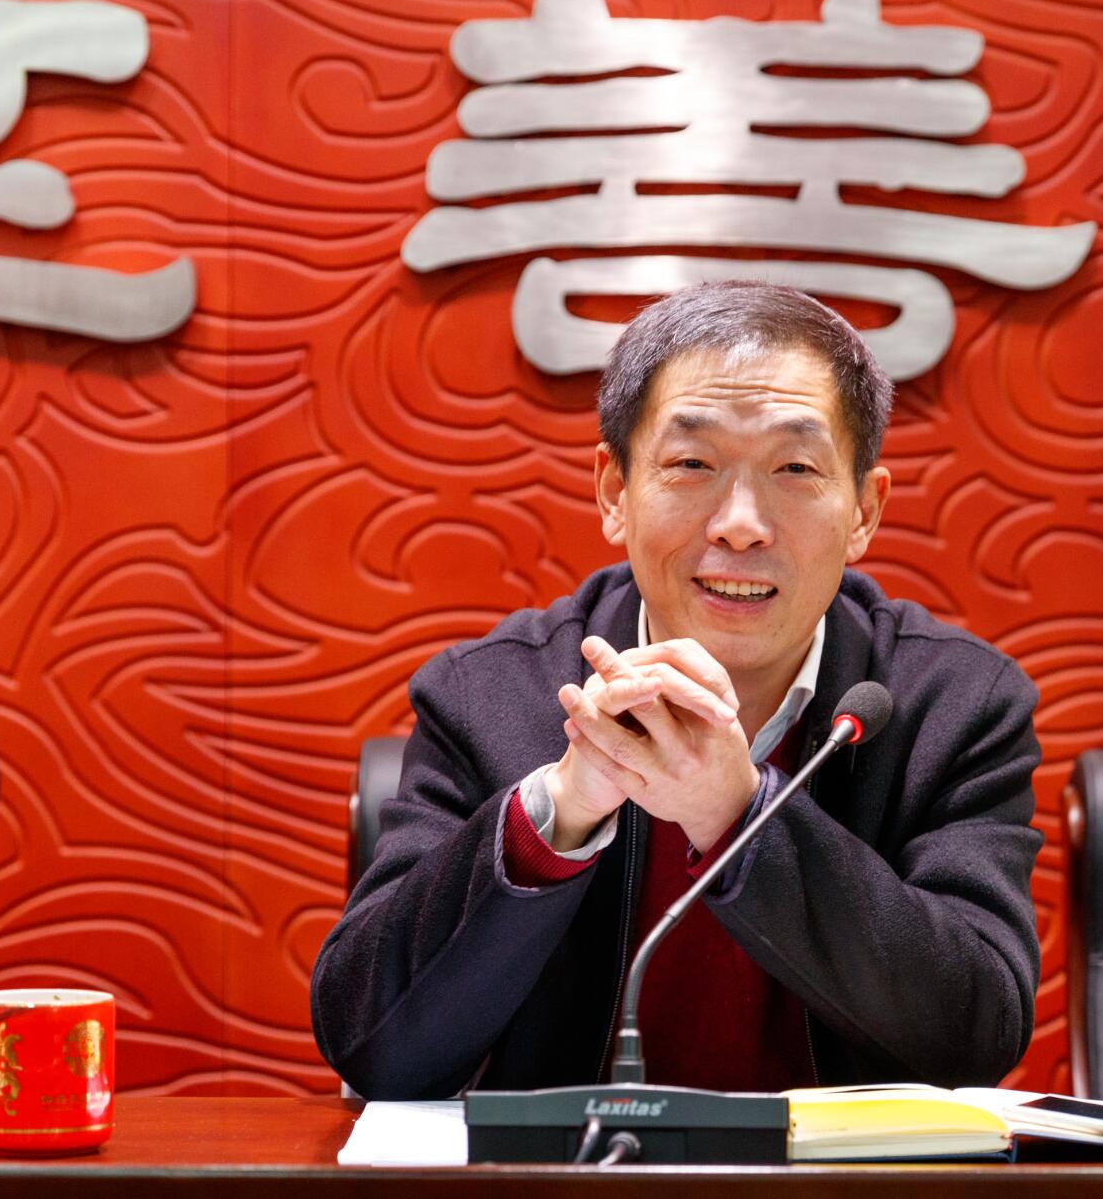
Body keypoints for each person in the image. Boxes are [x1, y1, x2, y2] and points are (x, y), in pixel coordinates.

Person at [311, 282, 1042, 1100]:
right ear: (614, 493)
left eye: (795, 468)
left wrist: (738, 812)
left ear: (865, 512)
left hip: (841, 1176)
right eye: (692, 465)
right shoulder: (488, 695)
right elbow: (373, 1048)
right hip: (563, 1175)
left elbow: (972, 1040)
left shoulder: (956, 705)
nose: (741, 524)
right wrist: (557, 815)